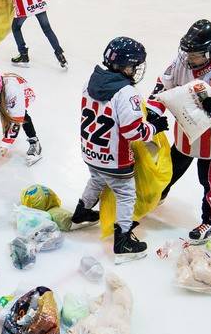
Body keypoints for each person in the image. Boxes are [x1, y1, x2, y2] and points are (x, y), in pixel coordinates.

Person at [70, 37, 169, 264]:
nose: (135, 70)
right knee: (125, 193)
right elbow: (132, 132)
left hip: (90, 151)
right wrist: (154, 127)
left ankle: (81, 212)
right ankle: (123, 241)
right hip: (115, 158)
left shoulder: (90, 81)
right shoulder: (126, 93)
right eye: (134, 65)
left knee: (96, 178)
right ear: (126, 66)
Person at [150, 20, 211, 242]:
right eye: (187, 53)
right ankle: (157, 195)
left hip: (208, 139)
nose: (189, 58)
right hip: (183, 132)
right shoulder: (182, 59)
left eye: (195, 54)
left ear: (210, 51)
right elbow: (164, 85)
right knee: (169, 169)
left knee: (208, 180)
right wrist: (153, 110)